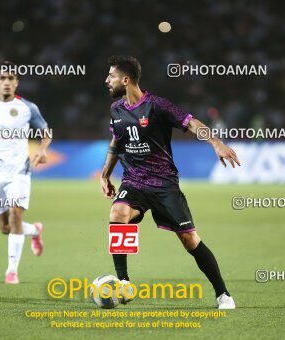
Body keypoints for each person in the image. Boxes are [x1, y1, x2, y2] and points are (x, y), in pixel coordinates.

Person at [100, 55, 240, 309]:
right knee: (118, 212)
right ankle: (123, 282)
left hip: (164, 184)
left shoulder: (157, 105)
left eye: (110, 76)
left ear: (126, 79)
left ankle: (223, 294)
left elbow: (192, 123)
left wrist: (216, 143)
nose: (106, 80)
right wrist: (105, 174)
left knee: (190, 240)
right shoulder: (115, 110)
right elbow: (116, 142)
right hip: (134, 182)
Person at [0, 61, 52, 284]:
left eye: (11, 78)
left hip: (19, 170)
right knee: (5, 228)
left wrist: (42, 149)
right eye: (2, 78)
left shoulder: (28, 108)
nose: (6, 82)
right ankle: (34, 230)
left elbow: (46, 132)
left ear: (17, 83)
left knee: (15, 216)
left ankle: (11, 271)